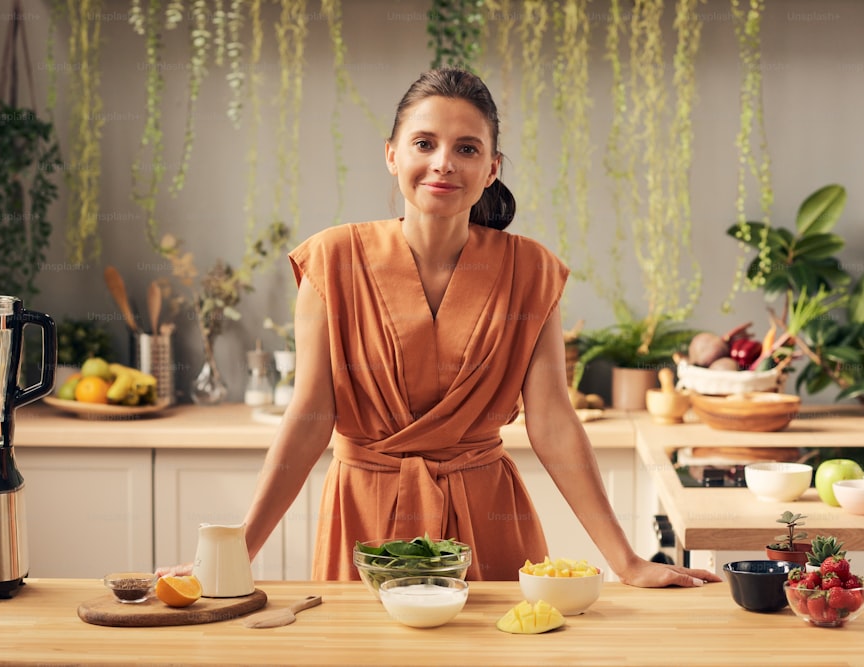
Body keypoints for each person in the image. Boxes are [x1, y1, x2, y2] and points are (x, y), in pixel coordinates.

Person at [159, 67, 719, 587]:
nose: (443, 163)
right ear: (391, 155)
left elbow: (552, 422)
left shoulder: (531, 271)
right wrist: (235, 552)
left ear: (492, 167)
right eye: (424, 143)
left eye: (466, 148)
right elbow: (309, 420)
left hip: (488, 520)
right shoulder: (332, 261)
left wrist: (626, 562)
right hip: (365, 518)